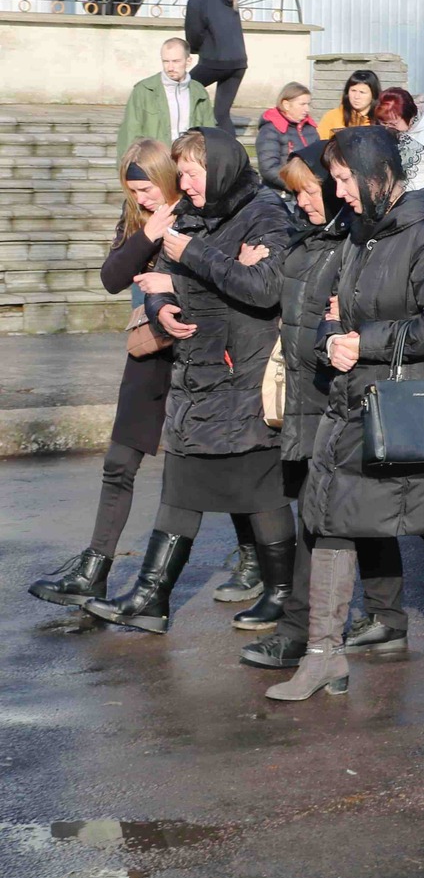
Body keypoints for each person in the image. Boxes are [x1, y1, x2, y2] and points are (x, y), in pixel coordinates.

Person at [265, 127, 424, 698]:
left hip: (413, 408)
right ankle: (323, 655)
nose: (339, 191)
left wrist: (364, 341)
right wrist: (333, 338)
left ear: (378, 174)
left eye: (346, 179)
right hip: (355, 404)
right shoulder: (359, 235)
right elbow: (337, 311)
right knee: (329, 520)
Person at [85, 128, 292, 636]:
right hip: (196, 375)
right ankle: (152, 599)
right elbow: (164, 279)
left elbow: (264, 289)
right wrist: (163, 300)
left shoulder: (263, 212)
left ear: (216, 169)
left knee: (260, 490)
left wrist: (185, 266)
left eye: (191, 175)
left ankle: (284, 594)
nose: (184, 185)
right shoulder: (204, 212)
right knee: (180, 486)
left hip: (242, 373)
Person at [238, 147, 409, 670]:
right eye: (297, 192)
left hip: (336, 391)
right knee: (354, 511)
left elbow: (351, 317)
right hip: (310, 392)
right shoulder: (315, 237)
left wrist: (331, 336)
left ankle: (299, 630)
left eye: (312, 189)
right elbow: (277, 295)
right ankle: (386, 617)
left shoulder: (355, 242)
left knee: (322, 515)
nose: (304, 201)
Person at [28, 141, 181, 609]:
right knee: (118, 464)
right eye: (133, 191)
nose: (141, 198)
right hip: (148, 348)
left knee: (201, 468)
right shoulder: (140, 216)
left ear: (166, 177)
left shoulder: (198, 206)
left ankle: (257, 561)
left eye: (146, 188)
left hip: (197, 351)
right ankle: (94, 571)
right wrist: (148, 232)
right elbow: (112, 277)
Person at [182, 0, 248, 131]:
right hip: (238, 62)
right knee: (221, 114)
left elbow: (194, 26)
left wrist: (193, 48)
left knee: (181, 89)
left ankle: (188, 140)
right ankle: (235, 157)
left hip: (216, 60)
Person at [118, 39, 214, 158]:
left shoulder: (199, 92)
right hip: (154, 164)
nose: (170, 67)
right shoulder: (144, 90)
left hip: (189, 163)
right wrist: (128, 169)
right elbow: (130, 132)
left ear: (188, 61)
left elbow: (210, 133)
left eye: (176, 61)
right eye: (165, 61)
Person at [317, 70, 379, 140]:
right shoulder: (333, 116)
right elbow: (321, 144)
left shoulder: (381, 119)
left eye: (362, 92)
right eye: (353, 91)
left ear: (373, 94)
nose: (356, 96)